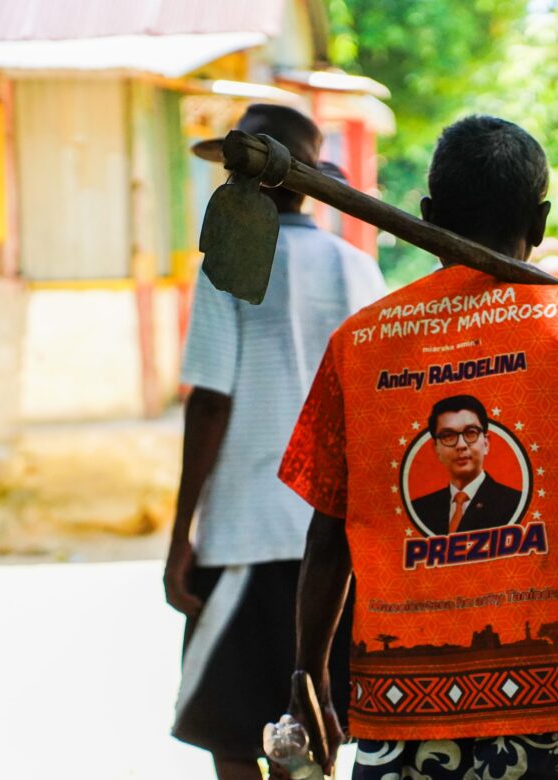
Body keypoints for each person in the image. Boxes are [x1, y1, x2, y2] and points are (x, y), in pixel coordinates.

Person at [277, 114, 558, 778]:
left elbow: (329, 534)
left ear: (429, 216)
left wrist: (309, 669)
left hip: (404, 709)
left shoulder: (360, 344)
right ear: (541, 221)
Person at [163, 104, 386, 780]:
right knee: (310, 728)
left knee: (233, 736)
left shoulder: (231, 265)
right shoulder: (360, 271)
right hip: (339, 542)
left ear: (253, 176)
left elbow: (210, 402)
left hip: (247, 534)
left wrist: (180, 534)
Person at [410, 394, 524, 535]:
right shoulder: (420, 509)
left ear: (486, 443)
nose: (461, 445)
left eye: (471, 433)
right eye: (448, 436)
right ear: (436, 449)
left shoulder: (514, 503)